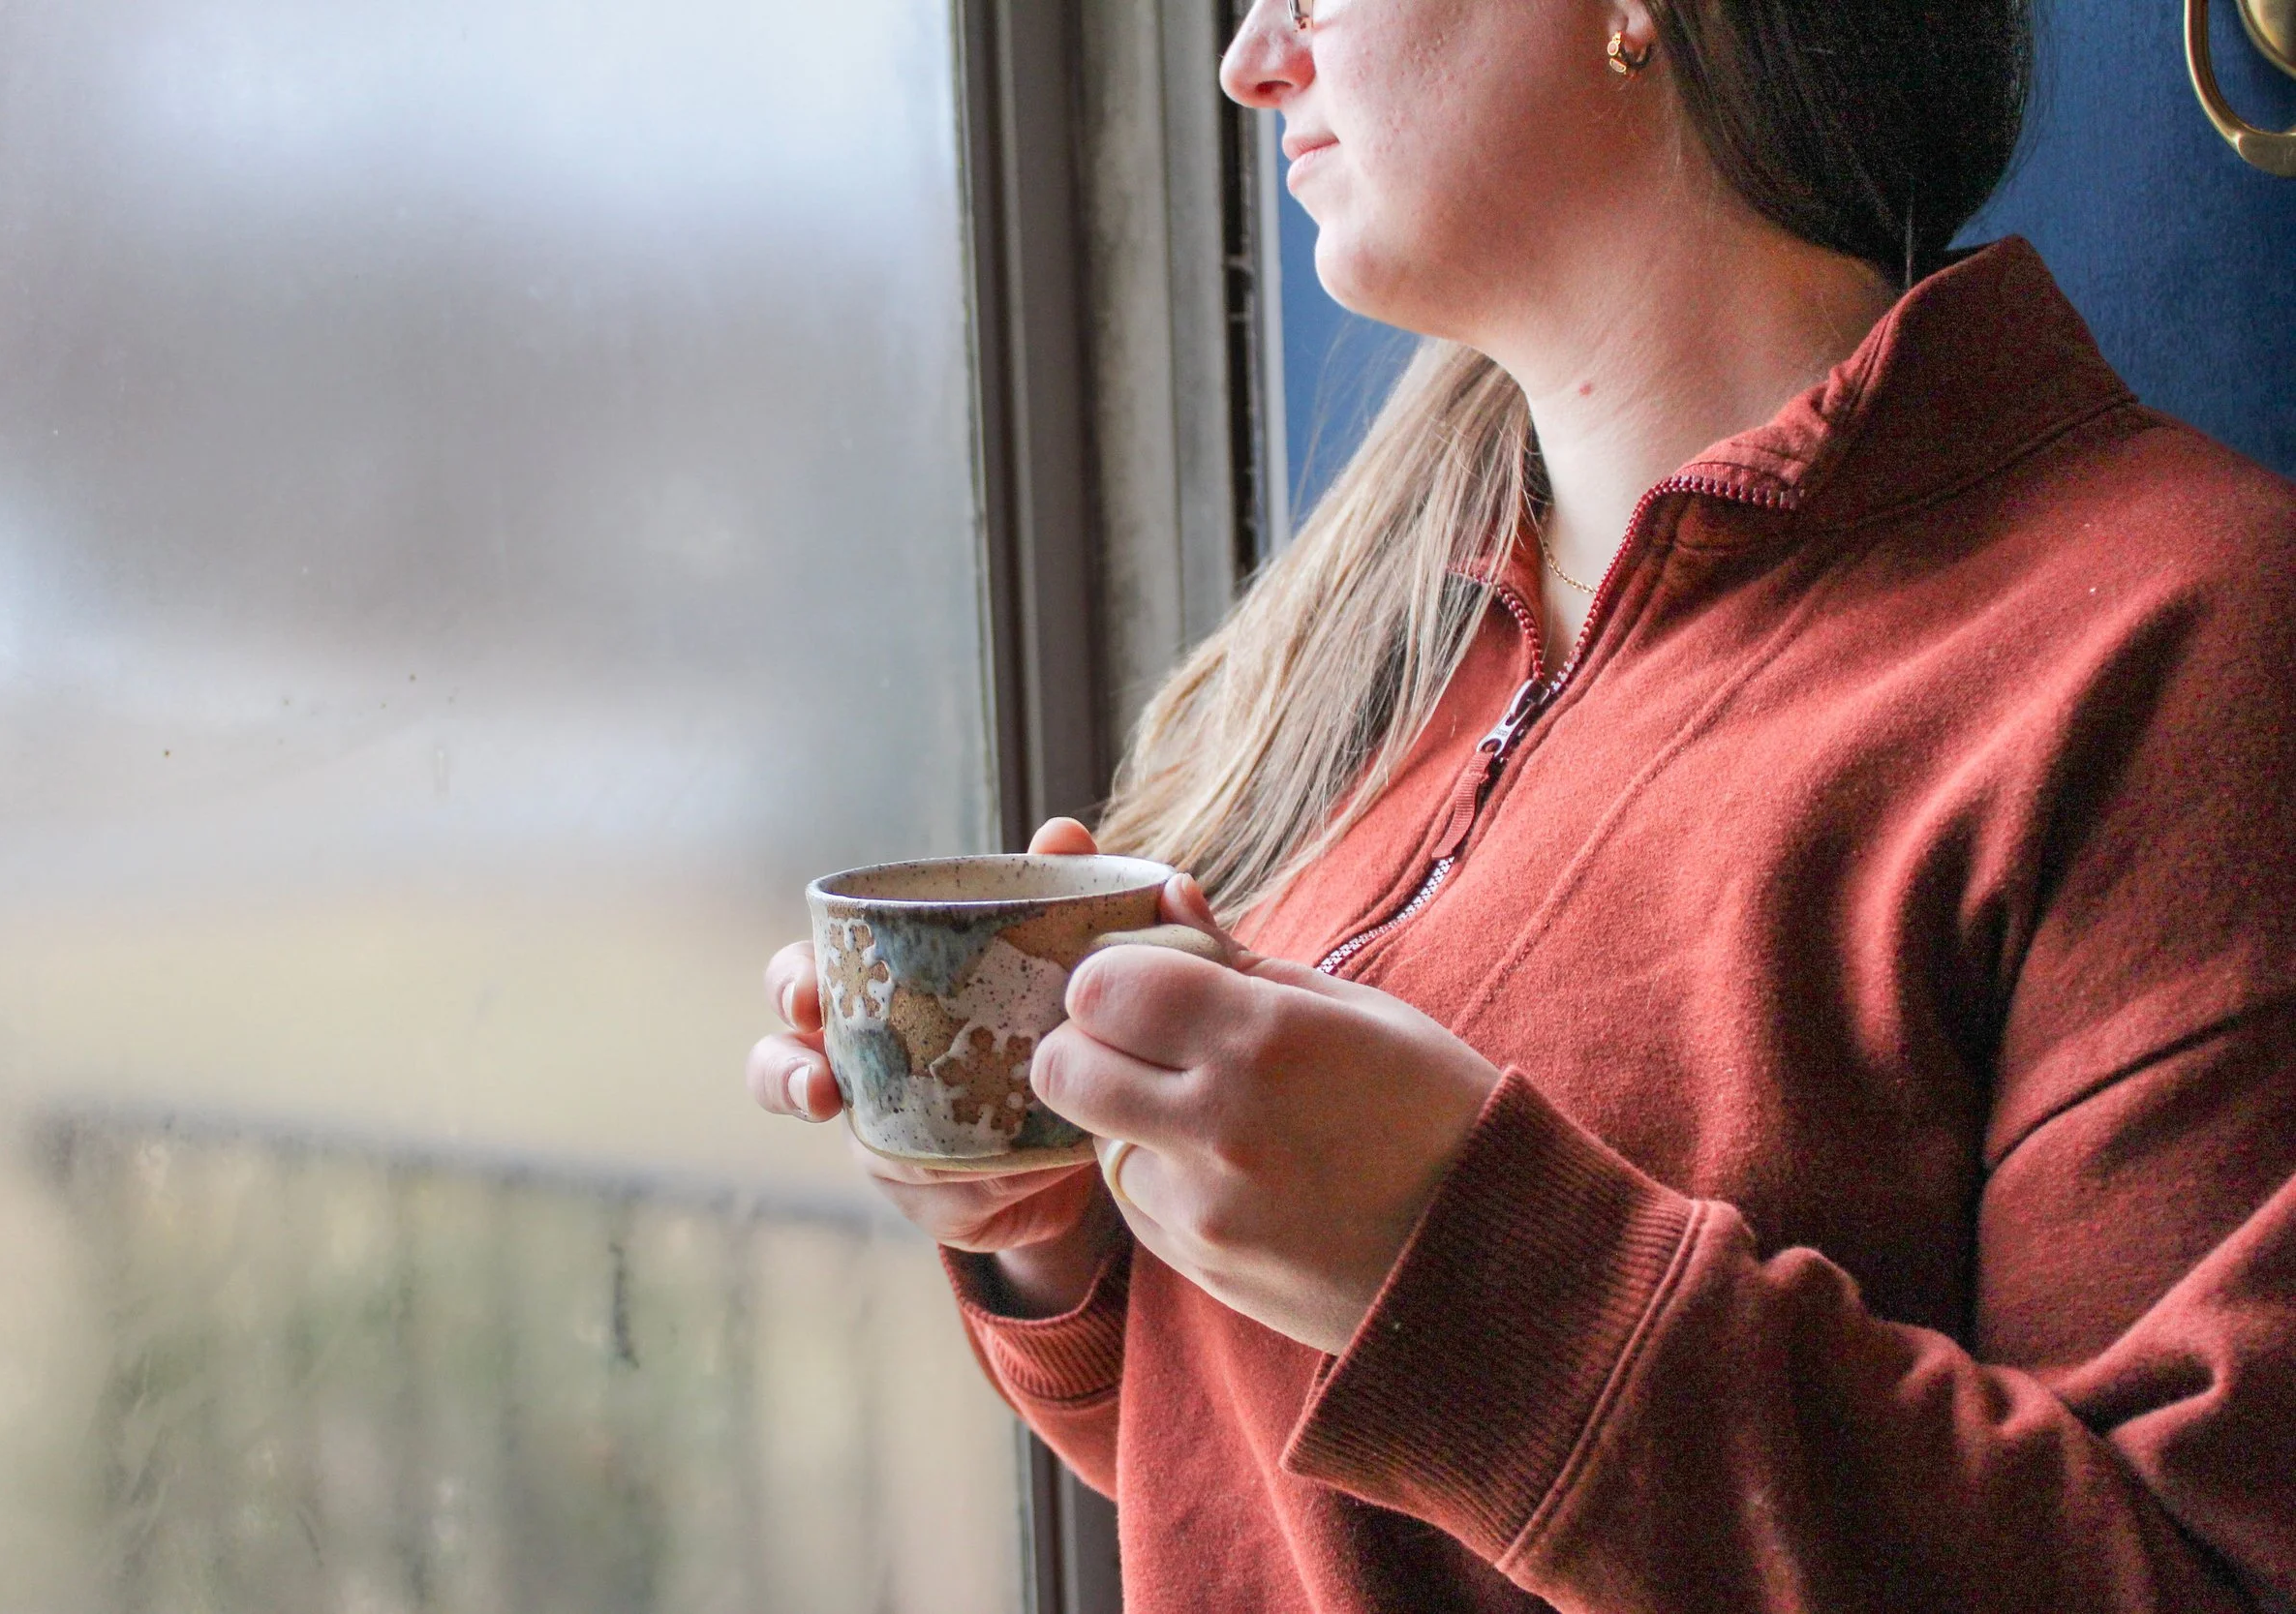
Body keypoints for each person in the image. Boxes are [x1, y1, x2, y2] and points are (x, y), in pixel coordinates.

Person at [749, 0, 2296, 1607]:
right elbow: (1320, 1498)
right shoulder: (1362, 658)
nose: (1250, 56)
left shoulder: (2185, 639)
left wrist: (1459, 1269)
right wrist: (1064, 1234)